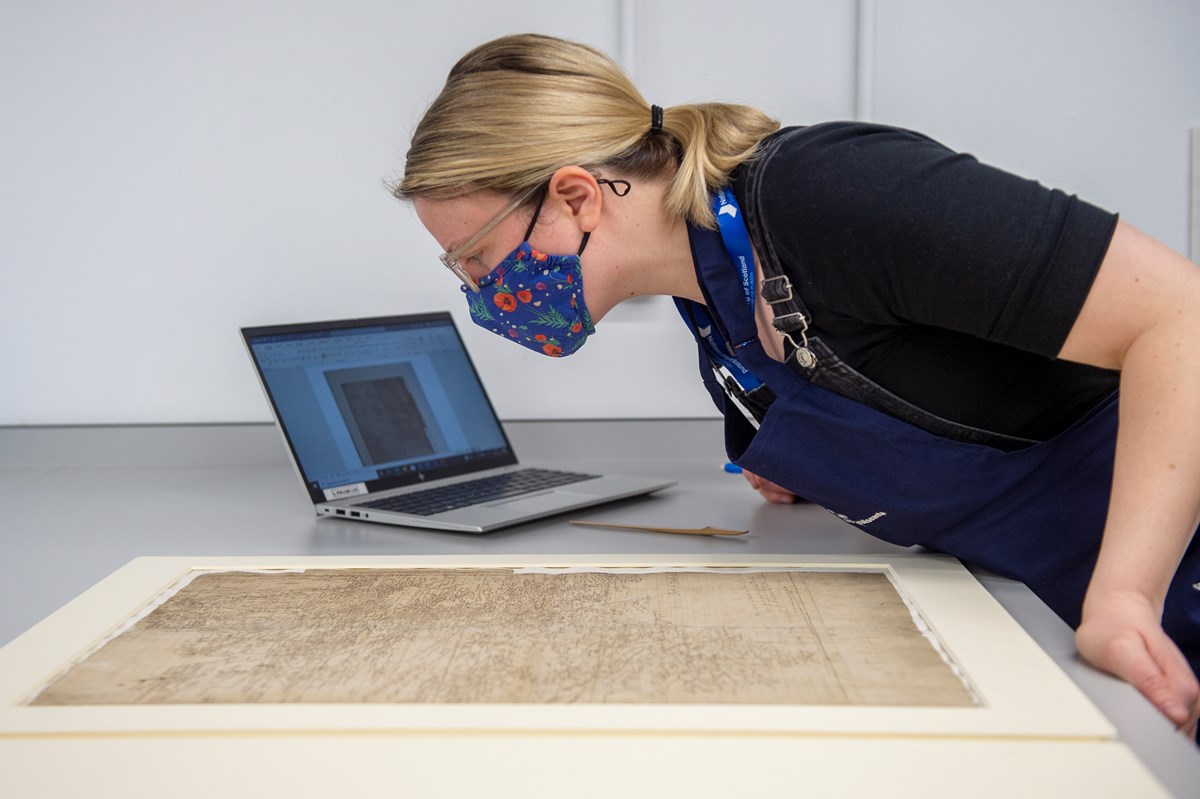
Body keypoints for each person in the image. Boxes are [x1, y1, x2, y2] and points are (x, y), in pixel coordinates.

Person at [393, 33, 1200, 738]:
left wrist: (1126, 594)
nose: (479, 293)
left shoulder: (829, 190)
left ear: (574, 196)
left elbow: (1180, 316)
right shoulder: (704, 290)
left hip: (1163, 582)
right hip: (1049, 604)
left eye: (477, 259)